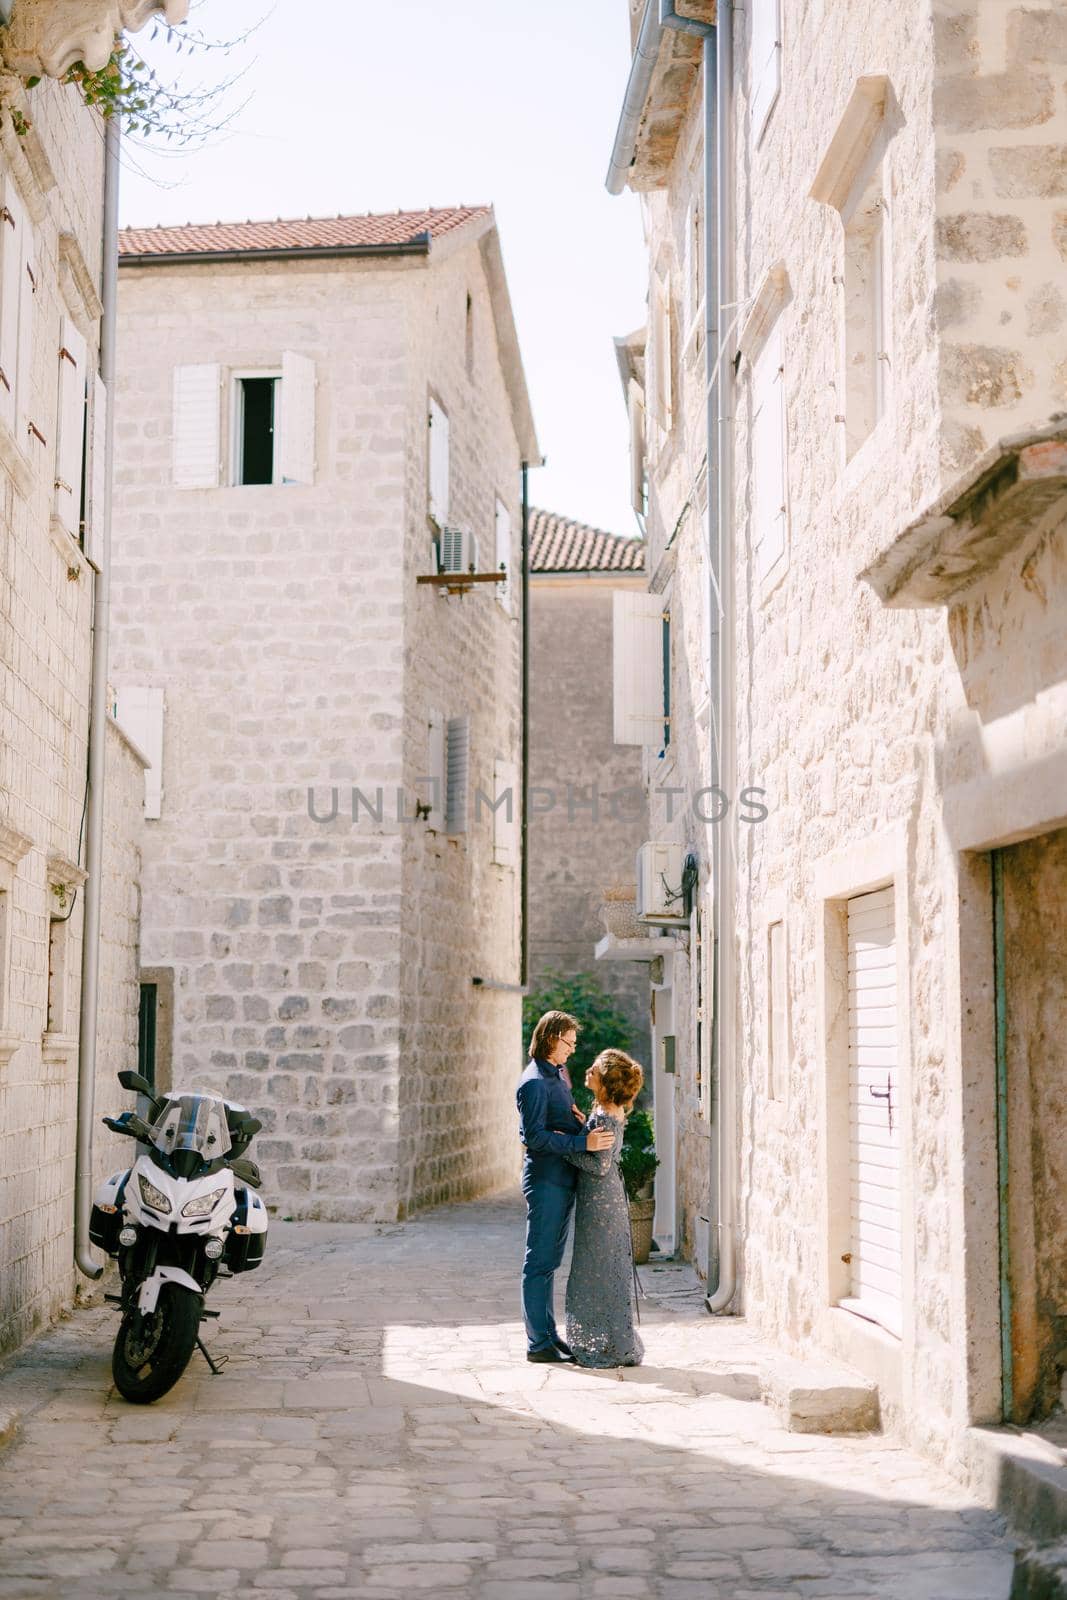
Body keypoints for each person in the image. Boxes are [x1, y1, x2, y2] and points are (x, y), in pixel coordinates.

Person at [517, 1011, 615, 1364]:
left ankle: (548, 1334)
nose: (572, 1050)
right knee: (539, 1262)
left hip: (563, 1179)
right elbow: (534, 1138)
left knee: (551, 1262)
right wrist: (581, 1145)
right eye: (569, 1043)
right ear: (552, 1037)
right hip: (545, 1182)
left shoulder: (558, 1074)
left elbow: (559, 1123)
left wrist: (577, 1126)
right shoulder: (532, 1082)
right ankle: (537, 1344)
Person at [562, 1049, 645, 1369]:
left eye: (594, 1069)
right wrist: (584, 1128)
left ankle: (605, 1342)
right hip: (605, 1200)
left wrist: (566, 1149)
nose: (588, 1072)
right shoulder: (605, 1112)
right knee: (604, 1270)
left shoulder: (605, 1115)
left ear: (606, 1080)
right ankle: (612, 1337)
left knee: (593, 1271)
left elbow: (599, 1166)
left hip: (600, 1202)